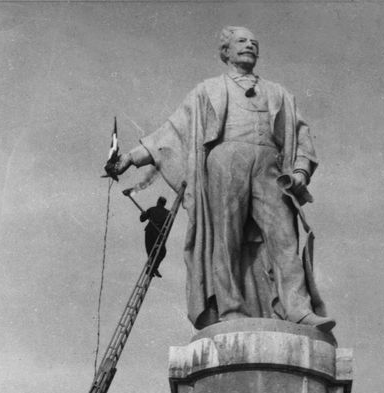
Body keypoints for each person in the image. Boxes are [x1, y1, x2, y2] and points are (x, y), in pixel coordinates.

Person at [115, 27, 329, 333]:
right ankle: (231, 309)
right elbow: (171, 132)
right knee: (225, 237)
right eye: (241, 41)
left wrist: (300, 172)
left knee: (285, 237)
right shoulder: (207, 90)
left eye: (254, 43)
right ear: (225, 52)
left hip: (270, 167)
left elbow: (303, 136)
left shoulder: (278, 93)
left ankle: (298, 309)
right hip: (225, 163)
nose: (250, 46)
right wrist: (130, 158)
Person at [139, 196, 169, 277]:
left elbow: (142, 219)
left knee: (151, 253)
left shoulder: (152, 209)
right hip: (158, 234)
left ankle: (152, 269)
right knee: (161, 252)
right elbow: (168, 226)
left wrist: (143, 214)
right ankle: (153, 269)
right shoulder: (167, 213)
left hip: (149, 232)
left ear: (157, 202)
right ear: (164, 204)